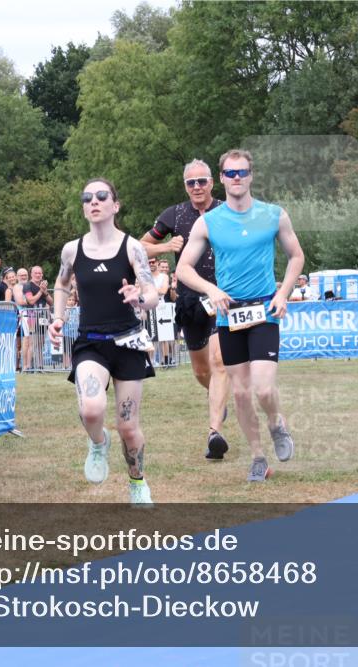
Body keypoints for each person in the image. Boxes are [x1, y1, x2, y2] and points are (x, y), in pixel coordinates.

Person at [176, 149, 304, 482]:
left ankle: (277, 423)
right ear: (222, 178)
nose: (236, 178)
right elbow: (183, 269)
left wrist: (282, 293)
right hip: (228, 315)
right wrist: (211, 289)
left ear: (251, 175)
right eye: (230, 173)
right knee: (241, 392)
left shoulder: (274, 215)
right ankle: (258, 458)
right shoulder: (209, 222)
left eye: (242, 172)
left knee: (262, 389)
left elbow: (296, 257)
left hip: (264, 309)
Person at [48, 177, 158, 506]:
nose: (93, 201)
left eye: (101, 196)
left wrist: (140, 298)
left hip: (128, 342)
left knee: (128, 427)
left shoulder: (132, 247)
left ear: (115, 205)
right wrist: (58, 316)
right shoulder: (73, 249)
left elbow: (152, 291)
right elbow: (61, 284)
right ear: (84, 207)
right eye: (87, 197)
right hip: (91, 343)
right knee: (92, 409)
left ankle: (137, 482)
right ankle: (98, 443)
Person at [141, 159, 233, 461]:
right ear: (185, 186)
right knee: (202, 370)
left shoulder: (227, 209)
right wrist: (165, 247)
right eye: (191, 183)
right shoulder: (174, 214)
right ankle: (218, 401)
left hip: (223, 295)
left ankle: (213, 434)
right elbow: (140, 246)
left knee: (220, 362)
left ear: (212, 183)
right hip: (190, 300)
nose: (197, 187)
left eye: (202, 181)